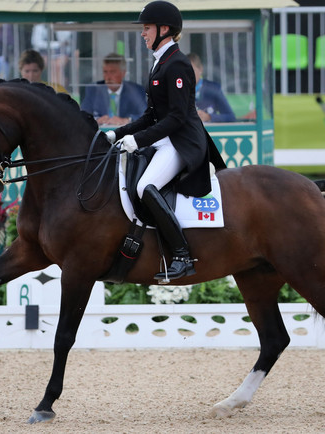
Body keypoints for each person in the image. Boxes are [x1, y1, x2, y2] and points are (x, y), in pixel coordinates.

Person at [105, 1, 226, 282]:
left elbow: (177, 118)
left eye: (146, 28)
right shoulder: (160, 63)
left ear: (164, 29)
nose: (143, 34)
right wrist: (118, 134)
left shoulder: (178, 64)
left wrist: (138, 141)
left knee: (146, 186)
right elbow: (150, 115)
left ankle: (182, 255)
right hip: (165, 139)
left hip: (181, 142)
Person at [80, 53, 147, 126]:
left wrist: (127, 120)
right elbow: (83, 116)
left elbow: (145, 115)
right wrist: (96, 120)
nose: (108, 77)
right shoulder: (93, 89)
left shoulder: (135, 90)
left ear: (123, 73)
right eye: (105, 72)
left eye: (112, 72)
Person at [188, 52, 236, 123]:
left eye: (192, 70)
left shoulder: (213, 89)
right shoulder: (177, 90)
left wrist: (208, 117)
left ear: (200, 69)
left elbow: (231, 117)